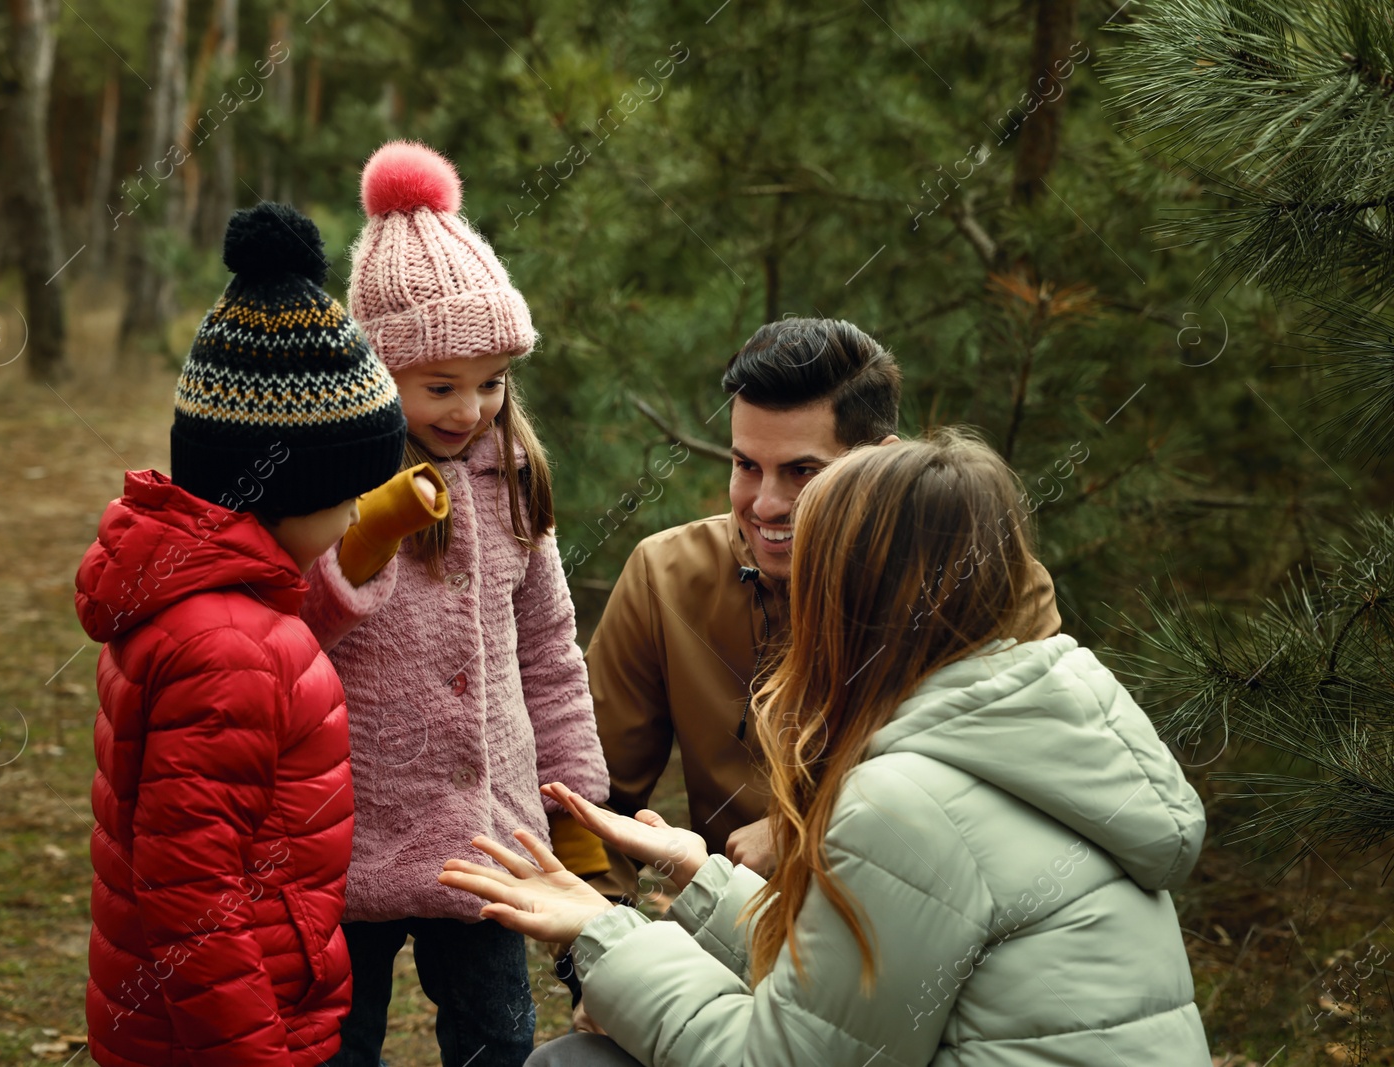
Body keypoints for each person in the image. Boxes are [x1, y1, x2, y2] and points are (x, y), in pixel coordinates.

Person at [441, 429, 1212, 1067]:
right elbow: (860, 985)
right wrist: (702, 876)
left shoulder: (907, 803)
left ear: (856, 598)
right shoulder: (1025, 732)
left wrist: (604, 935)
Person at [76, 202, 427, 1066]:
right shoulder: (232, 646)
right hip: (219, 1035)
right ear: (289, 489)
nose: (355, 514)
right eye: (348, 494)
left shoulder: (204, 600)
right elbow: (192, 895)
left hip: (194, 1022)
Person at [299, 140, 609, 1067]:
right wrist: (366, 534)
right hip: (350, 830)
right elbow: (295, 625)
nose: (470, 408)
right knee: (334, 1040)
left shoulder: (514, 481)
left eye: (492, 382)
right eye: (441, 384)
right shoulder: (332, 481)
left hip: (489, 833)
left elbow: (549, 648)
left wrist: (577, 809)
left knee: (496, 1033)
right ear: (376, 373)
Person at [582, 319, 1062, 884]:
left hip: (928, 932)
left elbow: (1011, 788)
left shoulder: (986, 584)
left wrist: (806, 826)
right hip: (733, 938)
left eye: (803, 472)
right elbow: (597, 796)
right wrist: (593, 943)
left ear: (881, 462)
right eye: (746, 466)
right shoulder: (666, 575)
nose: (765, 504)